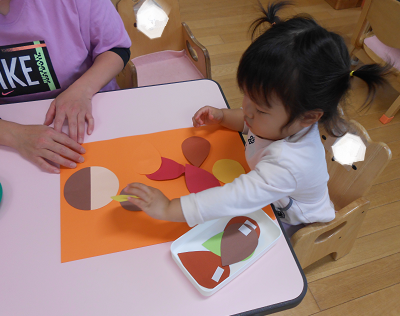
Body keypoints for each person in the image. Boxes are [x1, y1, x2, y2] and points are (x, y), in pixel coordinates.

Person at [123, 2, 389, 233]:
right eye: (246, 95)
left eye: (260, 109)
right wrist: (223, 116)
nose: (247, 110)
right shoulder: (276, 121)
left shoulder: (288, 164)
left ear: (308, 117)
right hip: (272, 192)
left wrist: (169, 208)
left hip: (298, 221)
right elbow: (248, 123)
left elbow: (233, 197)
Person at [0, 0, 131, 173]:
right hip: (12, 138)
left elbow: (116, 48)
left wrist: (83, 89)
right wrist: (15, 135)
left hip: (93, 113)